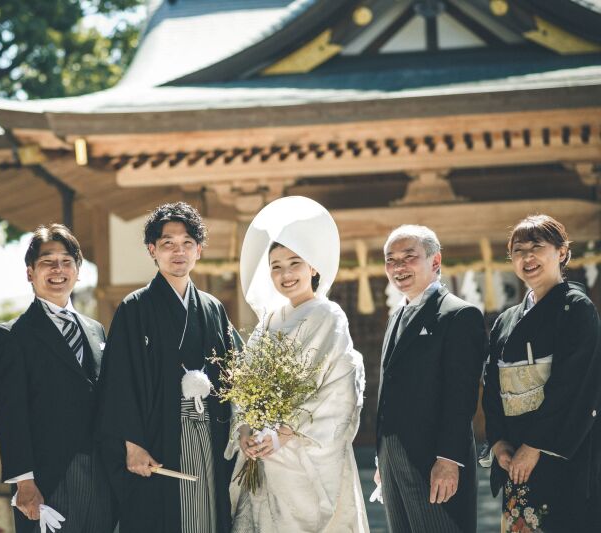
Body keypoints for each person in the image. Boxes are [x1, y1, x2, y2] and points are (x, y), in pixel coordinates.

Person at [96, 202, 240, 533]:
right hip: (158, 435)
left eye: (187, 243)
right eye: (168, 244)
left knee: (208, 514)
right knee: (165, 518)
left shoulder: (214, 309)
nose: (179, 252)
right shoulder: (135, 308)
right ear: (153, 250)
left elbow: (234, 375)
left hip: (210, 433)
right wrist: (132, 444)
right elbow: (118, 381)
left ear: (199, 250)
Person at [230, 196, 369, 532]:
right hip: (264, 457)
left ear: (313, 267)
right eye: (276, 266)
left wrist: (284, 431)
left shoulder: (328, 315)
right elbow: (244, 386)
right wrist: (246, 431)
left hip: (302, 454)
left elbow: (339, 392)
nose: (285, 274)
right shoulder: (267, 322)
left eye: (294, 263)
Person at [0, 224, 116, 532]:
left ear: (78, 270)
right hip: (49, 477)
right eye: (47, 262)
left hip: (102, 473)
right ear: (30, 272)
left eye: (66, 261)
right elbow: (10, 414)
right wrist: (24, 482)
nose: (58, 269)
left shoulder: (95, 329)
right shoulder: (12, 336)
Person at [482, 215, 601, 531]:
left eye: (537, 247)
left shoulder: (576, 309)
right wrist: (498, 443)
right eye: (518, 250)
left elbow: (574, 386)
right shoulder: (505, 321)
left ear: (562, 252)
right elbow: (492, 386)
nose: (527, 257)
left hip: (560, 453)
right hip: (515, 455)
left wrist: (534, 446)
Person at [375, 225, 486, 532]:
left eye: (409, 257)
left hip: (435, 459)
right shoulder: (396, 315)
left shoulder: (459, 315)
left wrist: (449, 460)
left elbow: (460, 396)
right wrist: (382, 457)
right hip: (392, 457)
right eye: (390, 259)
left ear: (435, 262)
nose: (398, 266)